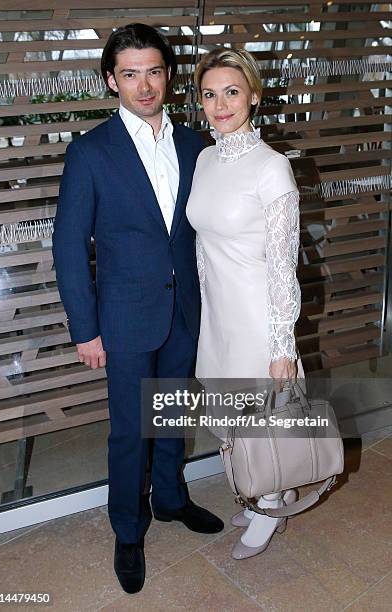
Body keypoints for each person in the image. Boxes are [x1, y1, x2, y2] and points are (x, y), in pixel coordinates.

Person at [52, 23, 223, 595]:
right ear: (111, 80)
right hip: (123, 318)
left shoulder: (197, 146)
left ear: (167, 75)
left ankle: (172, 499)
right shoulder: (91, 151)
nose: (144, 85)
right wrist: (86, 330)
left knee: (173, 413)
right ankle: (129, 527)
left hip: (184, 311)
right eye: (130, 74)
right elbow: (70, 247)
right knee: (130, 430)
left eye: (153, 71)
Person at [186, 48, 304, 560]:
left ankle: (273, 501)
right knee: (231, 416)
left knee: (263, 419)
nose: (220, 104)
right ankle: (262, 489)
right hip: (219, 316)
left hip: (259, 317)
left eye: (232, 91)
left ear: (253, 96)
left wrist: (282, 342)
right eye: (209, 94)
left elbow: (283, 263)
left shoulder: (272, 168)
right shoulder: (206, 159)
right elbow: (202, 243)